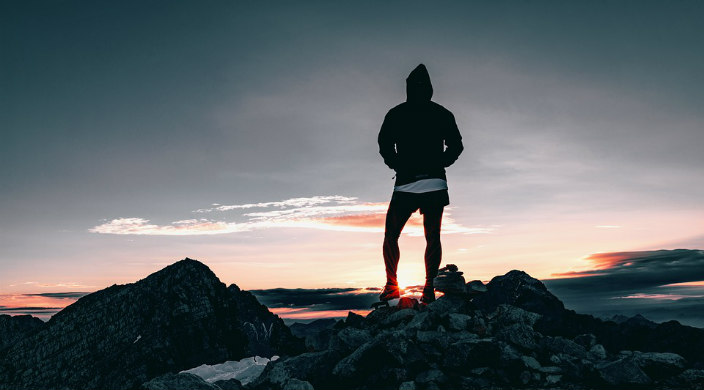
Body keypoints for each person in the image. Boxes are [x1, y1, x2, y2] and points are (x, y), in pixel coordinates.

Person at [377, 64, 464, 304]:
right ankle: (428, 289)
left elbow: (384, 145)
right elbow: (456, 146)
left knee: (391, 235)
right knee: (432, 237)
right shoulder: (442, 113)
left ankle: (392, 287)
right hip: (435, 183)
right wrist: (440, 164)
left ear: (407, 88)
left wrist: (398, 165)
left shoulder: (396, 113)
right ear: (430, 88)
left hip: (406, 183)